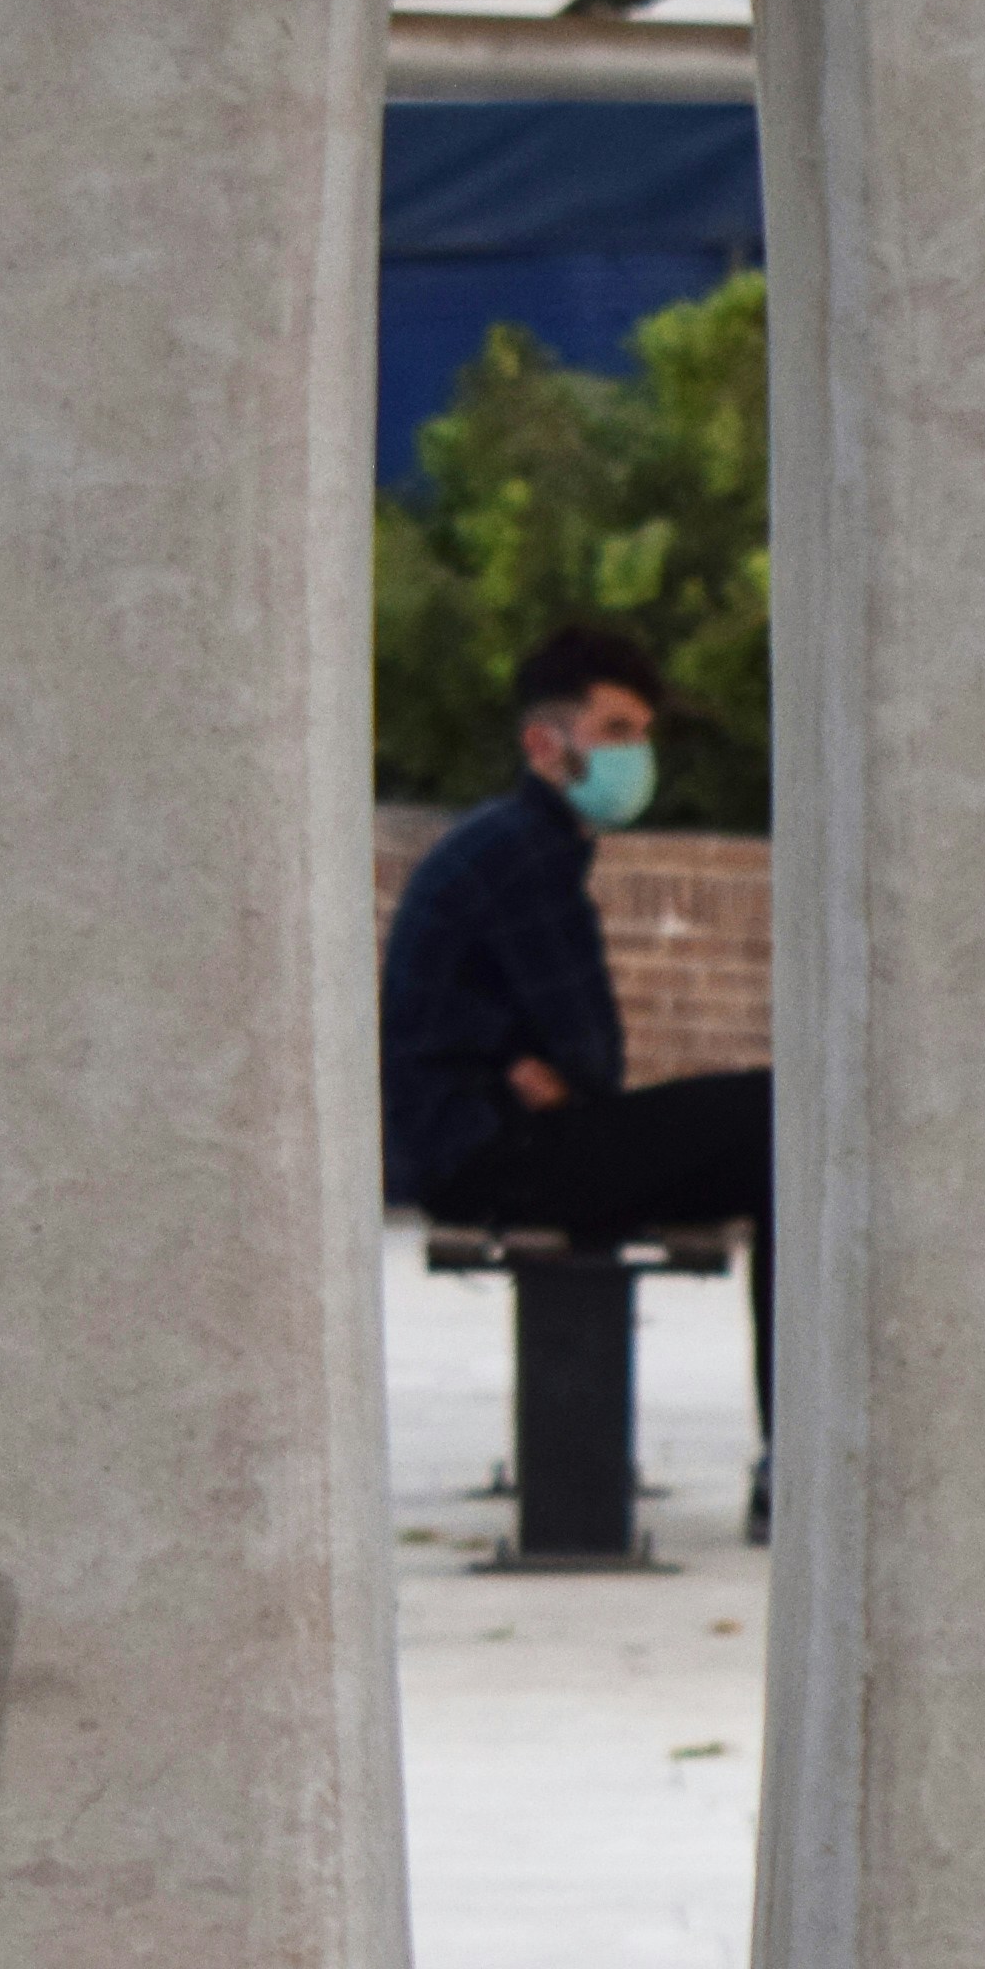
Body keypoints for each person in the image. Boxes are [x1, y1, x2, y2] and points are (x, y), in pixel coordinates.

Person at [382, 622, 776, 1537]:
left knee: (769, 1128)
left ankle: (790, 1451)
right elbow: (593, 1057)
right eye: (616, 731)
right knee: (779, 1129)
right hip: (493, 1155)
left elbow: (570, 1062)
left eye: (642, 734)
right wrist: (526, 1063)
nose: (636, 756)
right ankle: (792, 1455)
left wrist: (530, 1060)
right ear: (544, 744)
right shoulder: (526, 854)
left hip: (477, 1145)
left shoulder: (510, 844)